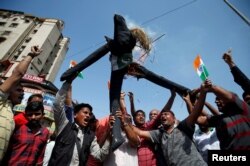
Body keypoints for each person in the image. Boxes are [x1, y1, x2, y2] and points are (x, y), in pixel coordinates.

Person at [106, 14, 151, 151]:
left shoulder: (120, 49)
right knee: (114, 99)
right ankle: (117, 135)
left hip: (118, 75)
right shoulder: (119, 49)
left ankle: (117, 135)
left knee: (114, 98)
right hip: (117, 76)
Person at [132, 84, 208, 165]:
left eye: (166, 114)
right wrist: (124, 121)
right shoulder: (159, 134)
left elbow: (195, 113)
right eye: (161, 115)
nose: (163, 116)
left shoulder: (183, 127)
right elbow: (140, 132)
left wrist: (203, 92)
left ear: (174, 118)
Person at [48, 78, 111, 166]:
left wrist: (109, 137)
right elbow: (57, 104)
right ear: (75, 115)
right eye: (85, 112)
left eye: (89, 114)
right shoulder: (64, 126)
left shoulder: (91, 136)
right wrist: (68, 81)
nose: (88, 115)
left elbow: (99, 156)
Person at [0, 45, 42, 163]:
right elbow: (17, 74)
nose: (23, 94)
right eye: (19, 90)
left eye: (23, 91)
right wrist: (31, 55)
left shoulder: (9, 111)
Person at [196, 79, 250, 150]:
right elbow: (199, 120)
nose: (216, 102)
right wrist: (197, 97)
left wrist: (210, 87)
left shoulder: (245, 110)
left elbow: (230, 97)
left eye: (219, 99)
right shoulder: (220, 119)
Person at [3, 101, 49, 165]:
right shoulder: (17, 128)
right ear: (26, 115)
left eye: (37, 114)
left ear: (42, 115)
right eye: (30, 114)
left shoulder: (45, 132)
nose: (33, 117)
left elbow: (41, 155)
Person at [183, 91, 220, 163]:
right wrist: (188, 102)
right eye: (198, 120)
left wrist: (201, 100)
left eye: (203, 118)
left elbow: (218, 117)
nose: (201, 122)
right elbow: (193, 116)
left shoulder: (217, 129)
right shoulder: (195, 135)